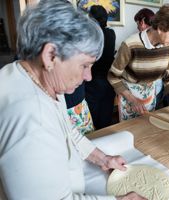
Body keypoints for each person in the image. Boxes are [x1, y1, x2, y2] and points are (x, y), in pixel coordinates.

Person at [0, 1, 146, 199]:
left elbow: (69, 132)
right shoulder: (32, 120)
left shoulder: (36, 76)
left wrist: (103, 159)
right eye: (84, 66)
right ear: (50, 55)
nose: (88, 77)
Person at [108, 5, 169, 121]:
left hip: (150, 94)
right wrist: (132, 99)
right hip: (130, 96)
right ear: (161, 28)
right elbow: (112, 76)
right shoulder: (130, 45)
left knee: (147, 128)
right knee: (131, 131)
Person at [85, 5, 116, 130]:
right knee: (106, 115)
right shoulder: (111, 33)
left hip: (93, 81)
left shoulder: (90, 34)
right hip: (108, 79)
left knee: (93, 117)